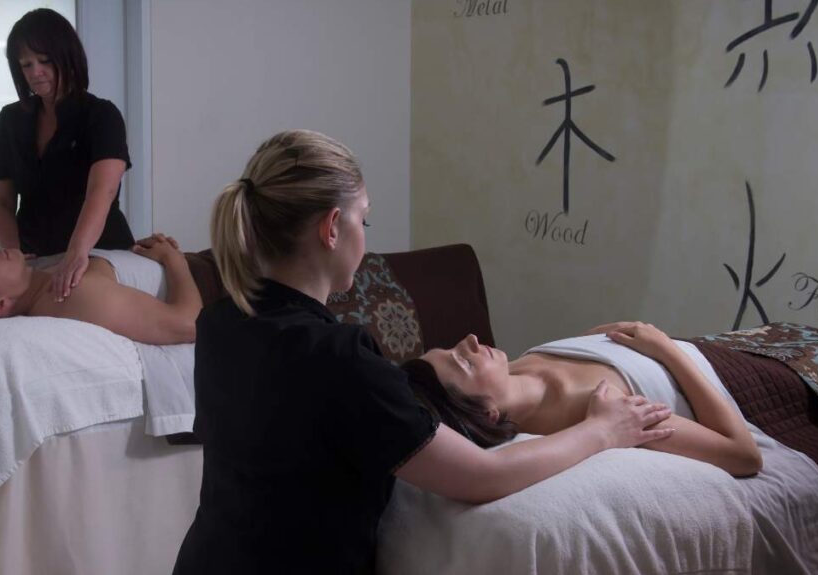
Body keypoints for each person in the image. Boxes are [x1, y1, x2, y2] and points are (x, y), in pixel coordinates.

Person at [172, 129, 676, 575]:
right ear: (331, 229)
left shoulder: (219, 324)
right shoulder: (338, 356)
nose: (365, 238)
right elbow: (484, 477)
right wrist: (602, 431)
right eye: (363, 221)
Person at [403, 322, 763, 477]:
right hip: (738, 378)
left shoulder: (517, 366)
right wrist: (666, 349)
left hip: (716, 345)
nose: (469, 340)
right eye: (463, 362)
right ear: (488, 414)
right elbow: (744, 456)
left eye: (452, 349)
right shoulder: (596, 405)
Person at [0, 8, 135, 303]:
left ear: (67, 57)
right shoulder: (10, 121)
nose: (35, 73)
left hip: (98, 253)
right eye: (25, 65)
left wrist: (76, 254)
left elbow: (101, 192)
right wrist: (17, 258)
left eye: (44, 61)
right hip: (35, 257)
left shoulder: (101, 115)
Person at [0, 234, 202, 346]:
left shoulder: (43, 279)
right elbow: (190, 325)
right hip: (214, 282)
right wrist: (173, 260)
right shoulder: (73, 294)